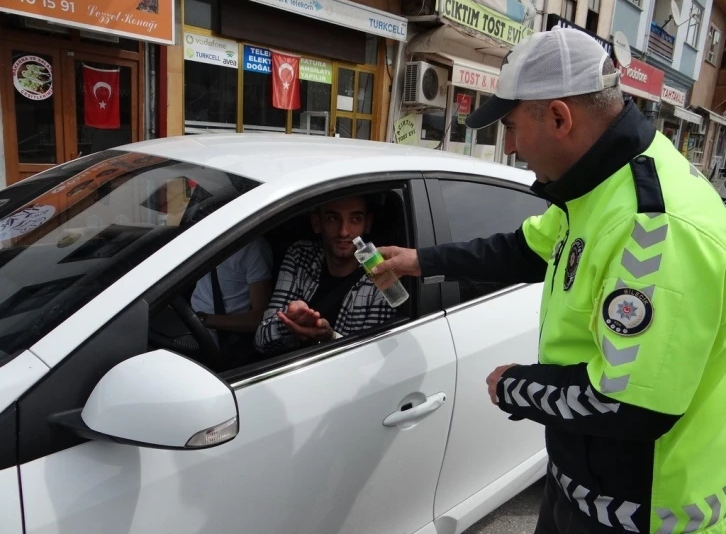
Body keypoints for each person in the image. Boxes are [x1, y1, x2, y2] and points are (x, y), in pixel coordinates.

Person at [373, 27, 726, 534]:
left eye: (512, 127)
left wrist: (518, 386)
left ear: (560, 118)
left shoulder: (656, 228)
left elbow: (628, 404)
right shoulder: (597, 184)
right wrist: (419, 260)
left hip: (644, 511)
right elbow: (523, 250)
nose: (510, 147)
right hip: (580, 484)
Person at [255, 195, 396, 354]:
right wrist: (289, 322)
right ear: (317, 223)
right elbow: (261, 340)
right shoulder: (300, 256)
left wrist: (330, 337)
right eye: (332, 218)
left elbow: (372, 358)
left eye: (355, 219)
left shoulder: (381, 274)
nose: (344, 231)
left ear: (367, 224)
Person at [192, 237, 273, 353]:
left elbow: (259, 317)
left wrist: (204, 319)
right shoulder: (208, 238)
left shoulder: (255, 248)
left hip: (225, 338)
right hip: (192, 321)